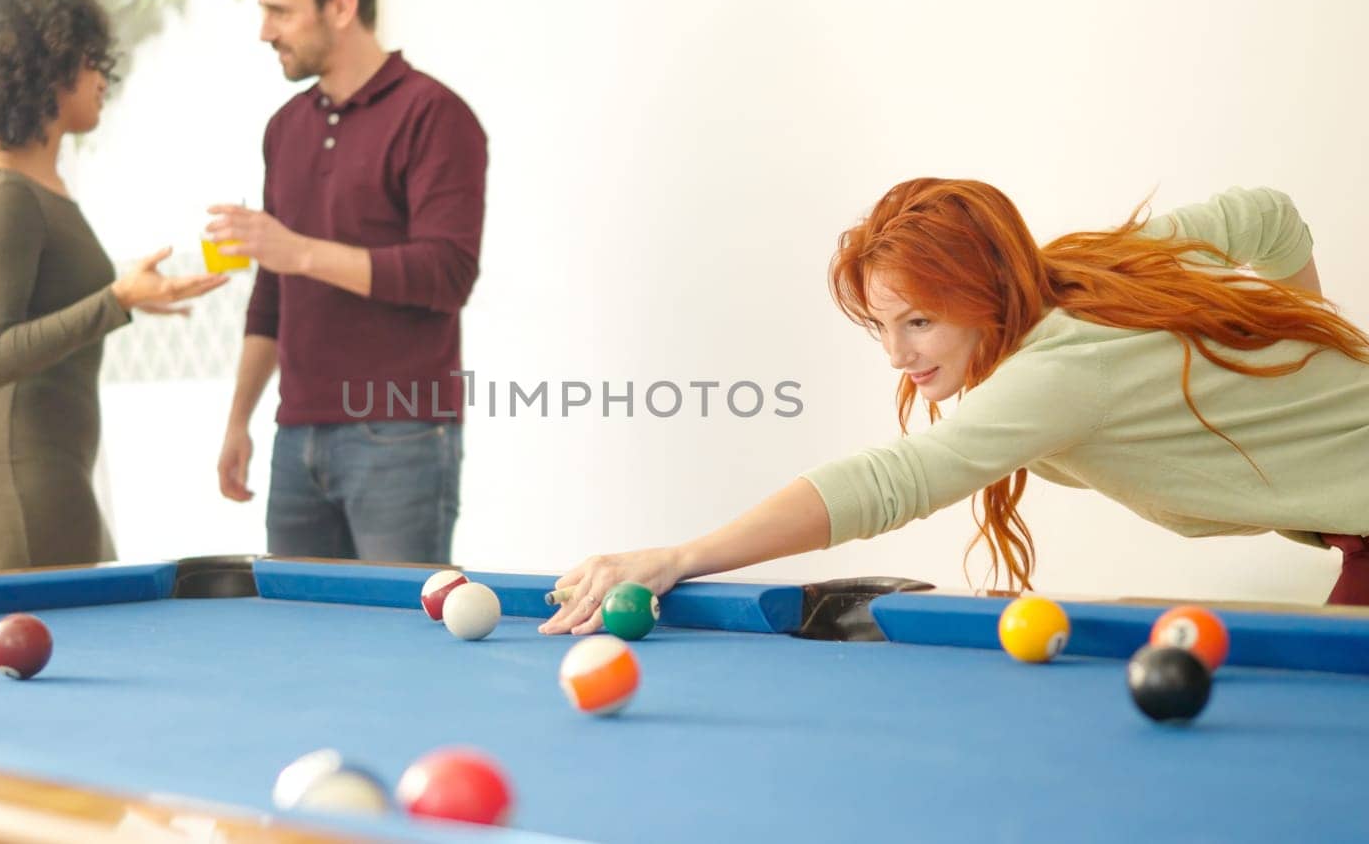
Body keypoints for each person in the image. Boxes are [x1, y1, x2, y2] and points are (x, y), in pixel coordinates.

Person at [540, 181, 1369, 634]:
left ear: (983, 292)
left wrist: (680, 556)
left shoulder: (1057, 372)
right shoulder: (1079, 270)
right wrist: (1325, 352)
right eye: (882, 325)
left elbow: (892, 480)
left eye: (920, 321)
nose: (898, 356)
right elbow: (1267, 215)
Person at [0, 0, 227, 571]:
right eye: (90, 60)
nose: (103, 77)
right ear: (41, 69)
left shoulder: (36, 185)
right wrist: (118, 299)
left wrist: (132, 295)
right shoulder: (5, 193)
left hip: (49, 463)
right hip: (16, 469)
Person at [208, 0, 487, 564]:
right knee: (302, 645)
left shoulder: (434, 115)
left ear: (341, 5)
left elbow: (446, 273)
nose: (264, 32)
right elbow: (271, 294)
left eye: (280, 12)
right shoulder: (284, 128)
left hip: (401, 434)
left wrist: (299, 251)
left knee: (402, 644)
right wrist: (238, 421)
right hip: (295, 434)